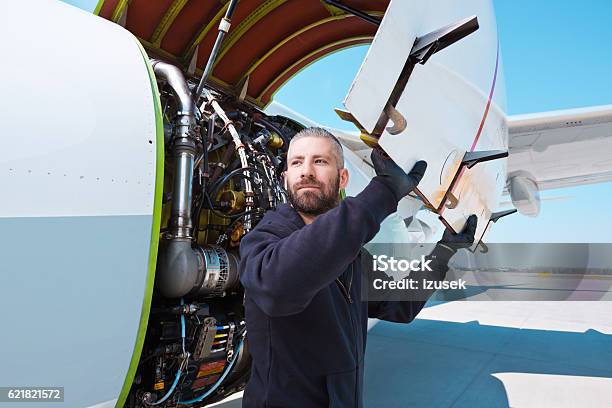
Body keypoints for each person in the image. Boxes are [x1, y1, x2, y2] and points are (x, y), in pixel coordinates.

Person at [239, 127, 476, 407]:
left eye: (320, 161)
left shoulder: (353, 258)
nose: (306, 171)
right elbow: (278, 288)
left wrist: (444, 251)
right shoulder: (264, 241)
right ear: (285, 178)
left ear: (343, 178)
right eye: (296, 162)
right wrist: (384, 191)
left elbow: (399, 305)